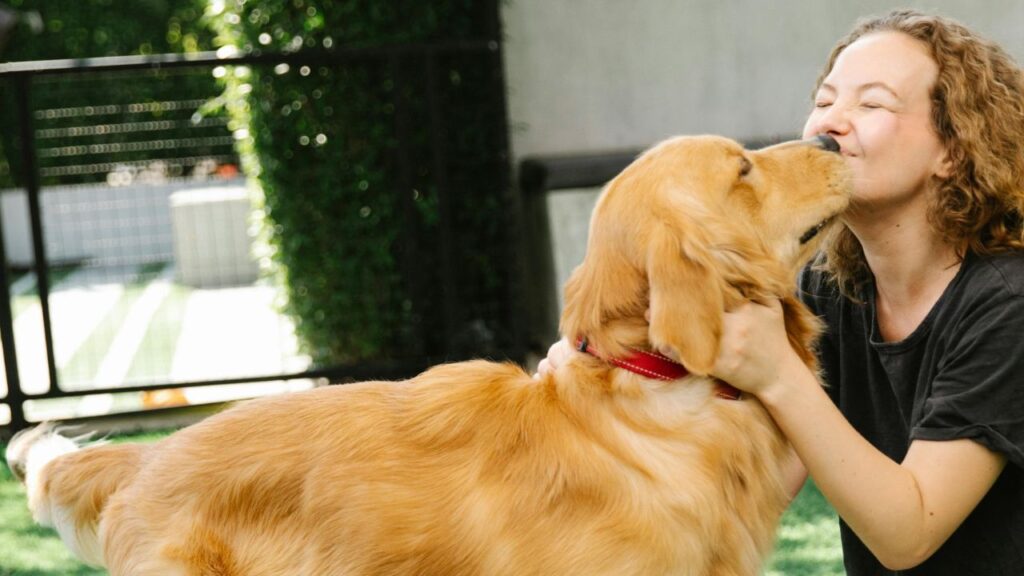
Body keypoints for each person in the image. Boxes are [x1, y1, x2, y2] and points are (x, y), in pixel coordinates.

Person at [537, 9, 1024, 574]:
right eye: (824, 101)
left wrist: (777, 373)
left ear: (954, 150)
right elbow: (760, 485)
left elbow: (908, 535)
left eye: (872, 104)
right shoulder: (834, 285)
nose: (830, 125)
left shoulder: (1007, 305)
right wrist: (601, 390)